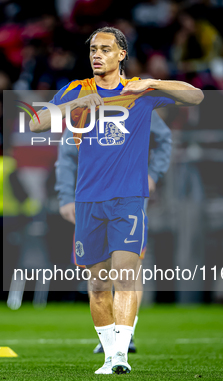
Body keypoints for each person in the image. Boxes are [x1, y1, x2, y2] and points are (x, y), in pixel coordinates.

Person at [29, 26, 203, 374]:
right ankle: (110, 356)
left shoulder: (140, 91)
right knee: (97, 283)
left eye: (105, 49)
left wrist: (153, 83)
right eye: (93, 49)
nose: (97, 55)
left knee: (125, 274)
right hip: (88, 200)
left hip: (128, 198)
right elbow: (35, 124)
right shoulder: (77, 89)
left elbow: (196, 95)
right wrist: (75, 105)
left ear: (121, 54)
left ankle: (120, 357)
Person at [55, 110, 172, 355]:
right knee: (97, 271)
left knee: (129, 268)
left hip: (129, 198)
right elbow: (66, 156)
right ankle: (108, 336)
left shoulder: (137, 103)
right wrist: (66, 197)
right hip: (91, 200)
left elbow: (163, 139)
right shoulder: (84, 107)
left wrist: (153, 174)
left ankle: (125, 336)